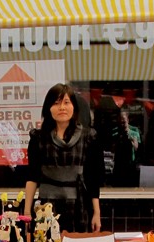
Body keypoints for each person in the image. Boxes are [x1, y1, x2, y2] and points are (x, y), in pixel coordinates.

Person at [23, 82, 103, 234]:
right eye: (56, 103)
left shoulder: (88, 137)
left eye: (66, 102)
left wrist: (96, 213)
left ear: (74, 106)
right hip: (47, 206)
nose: (62, 108)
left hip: (80, 206)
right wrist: (27, 212)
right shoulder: (38, 138)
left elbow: (93, 178)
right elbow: (32, 176)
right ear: (48, 108)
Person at [112, 110, 141, 187]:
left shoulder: (134, 132)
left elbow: (136, 147)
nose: (123, 125)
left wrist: (130, 140)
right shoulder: (116, 133)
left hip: (130, 165)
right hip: (119, 165)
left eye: (124, 122)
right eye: (121, 122)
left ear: (128, 120)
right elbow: (113, 148)